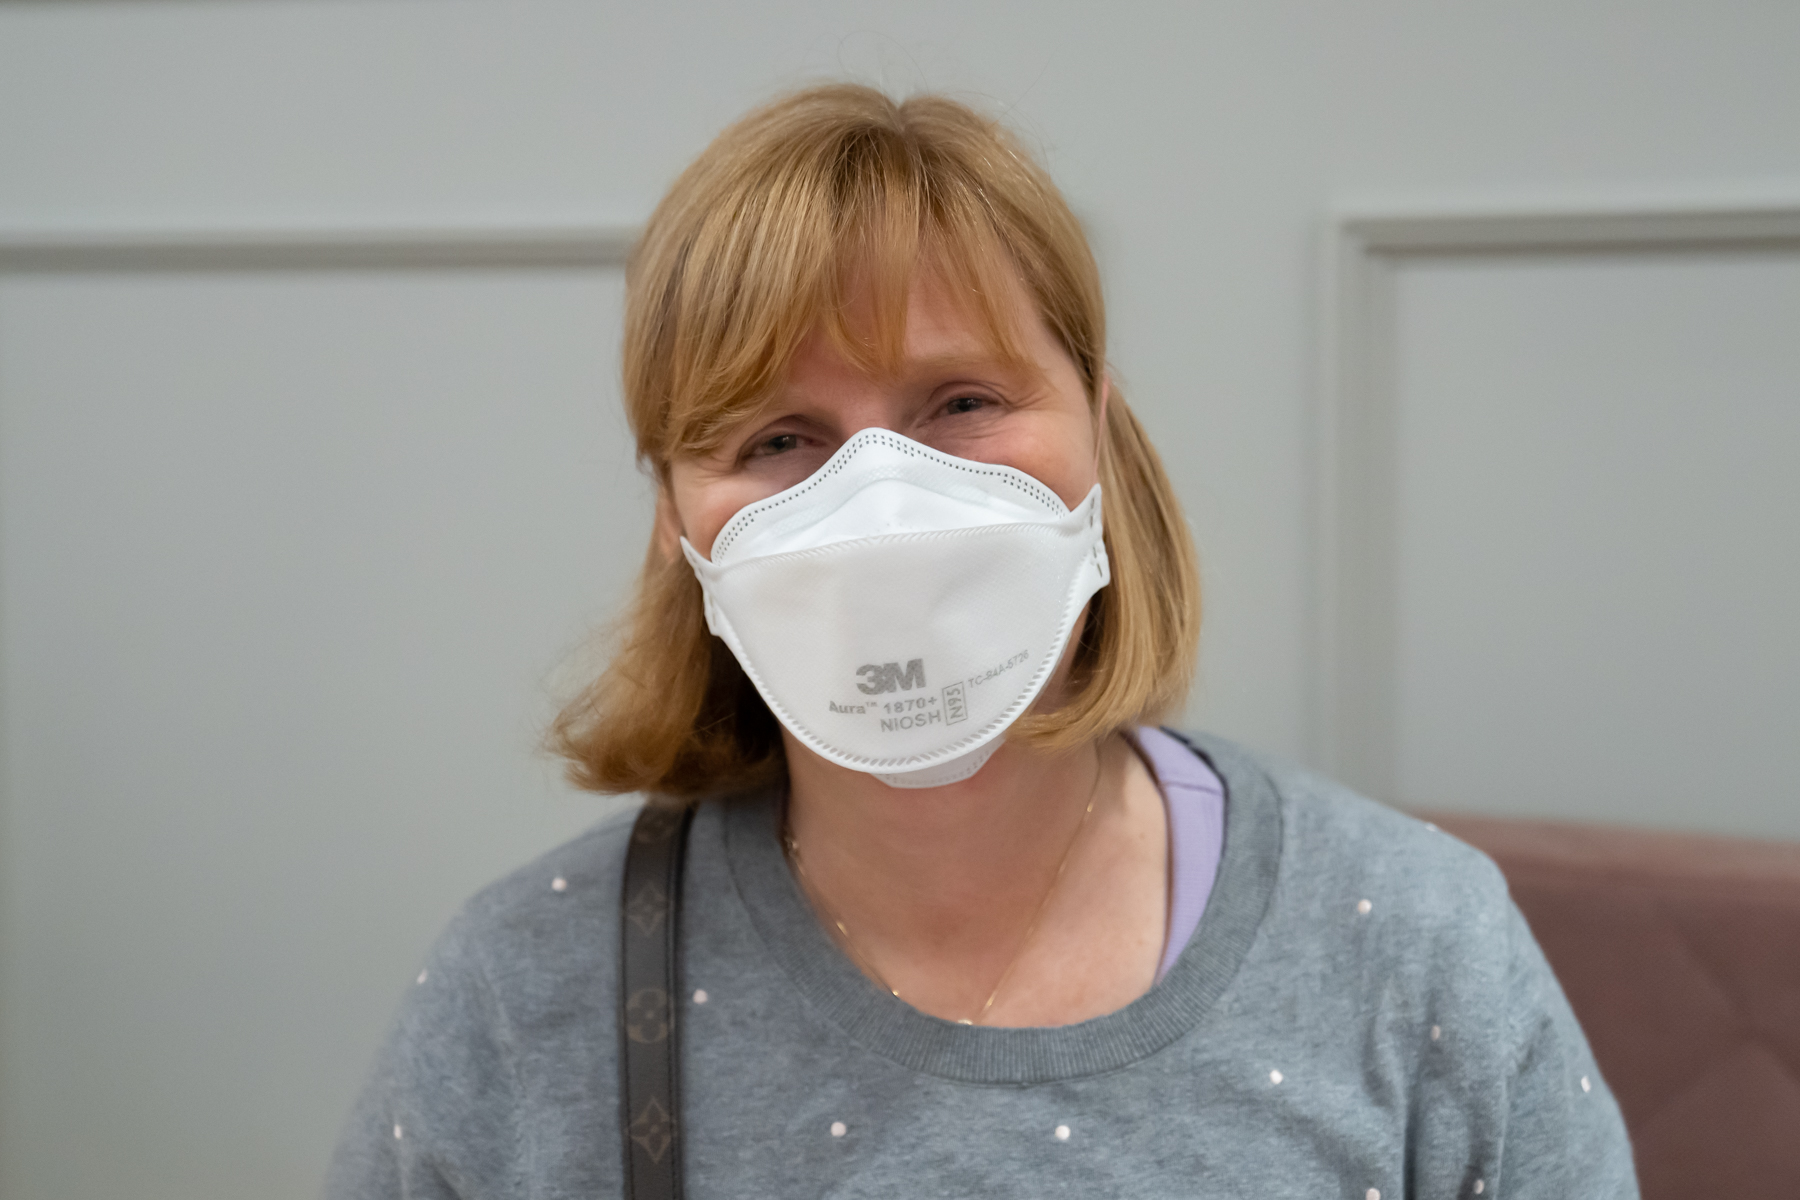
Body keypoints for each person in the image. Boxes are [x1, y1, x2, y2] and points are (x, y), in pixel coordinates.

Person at [328, 84, 1637, 1198]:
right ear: (680, 523)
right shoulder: (526, 993)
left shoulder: (1413, 942)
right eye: (780, 439)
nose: (883, 505)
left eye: (961, 402)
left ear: (1099, 441)